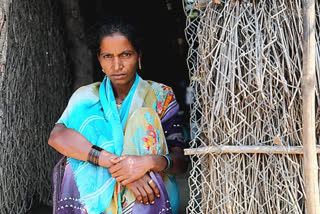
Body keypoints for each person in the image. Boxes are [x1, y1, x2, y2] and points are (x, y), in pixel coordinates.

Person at [48, 16, 189, 214]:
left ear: (139, 56)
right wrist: (117, 166)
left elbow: (181, 161)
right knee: (78, 147)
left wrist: (147, 163)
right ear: (99, 59)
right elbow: (57, 136)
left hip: (150, 196)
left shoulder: (160, 95)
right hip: (97, 203)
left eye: (126, 55)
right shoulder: (87, 97)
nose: (117, 65)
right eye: (108, 56)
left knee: (144, 118)